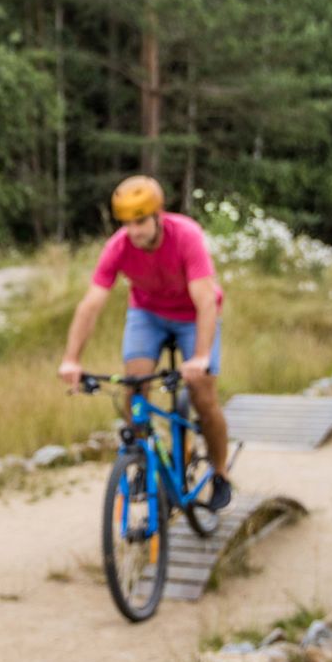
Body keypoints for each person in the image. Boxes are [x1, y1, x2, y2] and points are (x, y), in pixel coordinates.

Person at [57, 175, 231, 510]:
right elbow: (91, 304)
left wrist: (200, 356)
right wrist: (71, 359)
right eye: (127, 223)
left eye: (140, 222)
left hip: (192, 315)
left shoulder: (186, 237)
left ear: (158, 215)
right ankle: (139, 460)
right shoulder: (119, 247)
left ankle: (220, 474)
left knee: (203, 396)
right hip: (148, 314)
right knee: (134, 385)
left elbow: (206, 301)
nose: (133, 231)